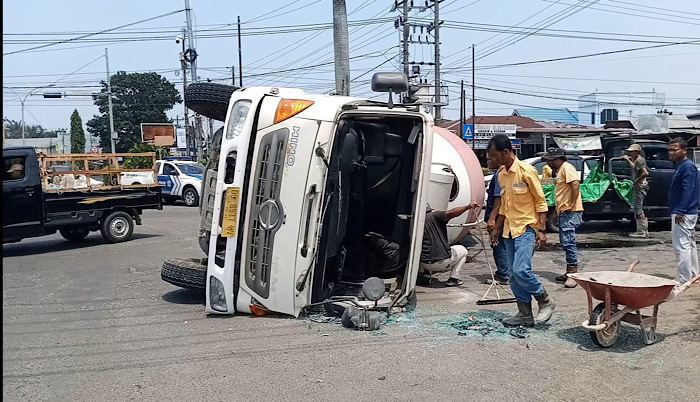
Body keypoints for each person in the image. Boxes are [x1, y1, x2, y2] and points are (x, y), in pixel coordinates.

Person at [488, 134, 555, 327]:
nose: (492, 159)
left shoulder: (527, 171)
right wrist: (496, 228)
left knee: (521, 270)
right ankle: (524, 314)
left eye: (494, 155)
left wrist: (541, 230)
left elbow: (541, 201)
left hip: (526, 227)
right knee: (512, 273)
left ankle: (545, 300)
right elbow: (504, 206)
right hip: (508, 229)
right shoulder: (501, 174)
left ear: (506, 152)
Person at [543, 148, 584, 288]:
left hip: (570, 211)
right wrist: (556, 211)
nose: (547, 163)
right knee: (565, 241)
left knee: (568, 241)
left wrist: (571, 204)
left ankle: (573, 273)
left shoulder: (567, 168)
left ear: (557, 159)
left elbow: (575, 184)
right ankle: (569, 271)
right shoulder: (560, 170)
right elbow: (561, 192)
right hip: (564, 211)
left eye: (549, 160)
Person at [420, 202, 480, 287]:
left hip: (423, 263)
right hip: (440, 262)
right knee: (463, 250)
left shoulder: (415, 221)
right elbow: (450, 213)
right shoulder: (434, 216)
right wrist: (467, 207)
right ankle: (454, 278)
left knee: (423, 248)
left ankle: (424, 276)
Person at [667, 137, 699, 283]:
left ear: (684, 150)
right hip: (684, 210)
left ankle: (684, 278)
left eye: (675, 149)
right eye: (670, 150)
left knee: (682, 246)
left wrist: (681, 210)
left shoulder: (687, 167)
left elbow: (689, 189)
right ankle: (693, 275)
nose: (672, 152)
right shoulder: (680, 166)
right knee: (689, 244)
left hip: (683, 212)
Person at [485, 154, 509, 285]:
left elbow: (498, 199)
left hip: (499, 217)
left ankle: (503, 274)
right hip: (504, 216)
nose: (487, 162)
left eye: (490, 158)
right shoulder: (503, 173)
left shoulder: (500, 175)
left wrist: (492, 219)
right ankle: (506, 272)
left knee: (497, 244)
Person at [621, 143, 650, 238]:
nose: (630, 153)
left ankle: (641, 231)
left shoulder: (639, 160)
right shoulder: (638, 160)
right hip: (641, 185)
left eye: (631, 152)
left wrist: (636, 181)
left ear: (637, 152)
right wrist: (628, 160)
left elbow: (645, 173)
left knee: (638, 209)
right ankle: (644, 230)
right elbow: (635, 167)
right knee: (638, 208)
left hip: (640, 186)